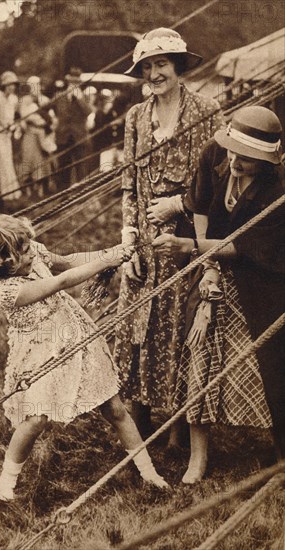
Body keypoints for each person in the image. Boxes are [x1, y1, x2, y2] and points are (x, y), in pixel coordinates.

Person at [0, 215, 168, 500]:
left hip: (73, 333)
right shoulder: (6, 291)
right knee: (35, 419)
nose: (31, 252)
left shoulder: (31, 251)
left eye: (27, 247)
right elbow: (62, 281)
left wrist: (108, 254)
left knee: (114, 408)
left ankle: (148, 472)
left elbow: (67, 262)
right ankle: (6, 485)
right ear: (4, 262)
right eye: (23, 252)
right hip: (39, 349)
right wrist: (107, 260)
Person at [152, 106, 285, 481]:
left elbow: (247, 247)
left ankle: (279, 450)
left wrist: (192, 247)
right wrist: (206, 266)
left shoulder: (278, 189)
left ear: (267, 163)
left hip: (263, 278)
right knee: (201, 352)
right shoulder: (214, 153)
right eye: (233, 152)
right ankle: (198, 457)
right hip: (212, 263)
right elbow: (200, 208)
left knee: (273, 362)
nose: (236, 162)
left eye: (248, 160)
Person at [113, 28, 224, 443]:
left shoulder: (206, 110)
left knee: (179, 328)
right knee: (137, 328)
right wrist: (129, 237)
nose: (154, 73)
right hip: (144, 241)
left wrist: (177, 205)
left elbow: (218, 176)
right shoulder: (136, 118)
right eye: (147, 66)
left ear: (178, 66)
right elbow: (129, 182)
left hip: (188, 235)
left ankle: (180, 426)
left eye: (161, 64)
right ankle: (139, 425)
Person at [54, 67, 93, 190]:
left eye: (76, 83)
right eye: (72, 83)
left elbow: (88, 111)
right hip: (63, 136)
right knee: (63, 166)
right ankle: (62, 194)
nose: (74, 85)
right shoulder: (60, 96)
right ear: (68, 82)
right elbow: (61, 113)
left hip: (79, 136)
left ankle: (81, 194)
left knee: (80, 167)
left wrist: (79, 98)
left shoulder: (85, 97)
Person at [0, 71, 21, 200]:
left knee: (6, 163)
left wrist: (12, 126)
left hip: (6, 135)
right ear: (3, 85)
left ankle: (5, 195)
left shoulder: (13, 99)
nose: (12, 87)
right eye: (9, 84)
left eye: (13, 85)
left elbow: (12, 116)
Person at [19, 78, 55, 196]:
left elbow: (51, 117)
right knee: (28, 160)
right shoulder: (24, 100)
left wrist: (44, 123)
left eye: (37, 85)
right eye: (32, 85)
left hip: (43, 134)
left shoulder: (44, 100)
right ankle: (28, 189)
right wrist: (37, 120)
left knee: (42, 161)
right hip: (30, 134)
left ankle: (42, 188)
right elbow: (25, 116)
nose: (35, 87)